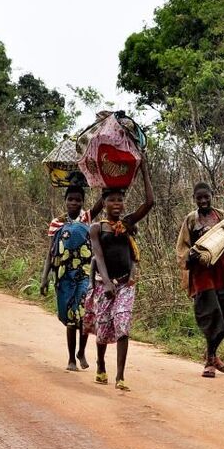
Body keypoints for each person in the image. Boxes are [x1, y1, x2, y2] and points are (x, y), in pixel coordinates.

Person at [85, 157, 155, 390]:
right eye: (112, 200)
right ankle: (101, 364)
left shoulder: (126, 224)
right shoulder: (97, 228)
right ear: (104, 203)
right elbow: (98, 256)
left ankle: (120, 376)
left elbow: (149, 202)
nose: (117, 204)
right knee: (103, 331)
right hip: (103, 284)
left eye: (120, 200)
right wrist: (105, 283)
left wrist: (144, 170)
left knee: (123, 325)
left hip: (126, 283)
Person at [40, 185, 104, 371]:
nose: (74, 203)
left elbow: (101, 202)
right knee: (69, 318)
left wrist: (104, 182)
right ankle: (71, 359)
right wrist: (44, 278)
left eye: (78, 200)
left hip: (85, 274)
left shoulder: (87, 218)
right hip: (64, 275)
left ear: (83, 201)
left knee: (83, 315)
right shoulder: (56, 223)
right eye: (71, 199)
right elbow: (51, 253)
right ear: (65, 200)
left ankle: (81, 352)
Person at [175, 182, 224, 378]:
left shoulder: (221, 216)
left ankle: (212, 354)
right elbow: (182, 247)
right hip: (202, 276)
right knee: (211, 316)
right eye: (199, 198)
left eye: (205, 196)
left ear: (211, 195)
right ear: (194, 198)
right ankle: (210, 361)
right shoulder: (191, 220)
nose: (202, 201)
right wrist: (190, 257)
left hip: (222, 272)